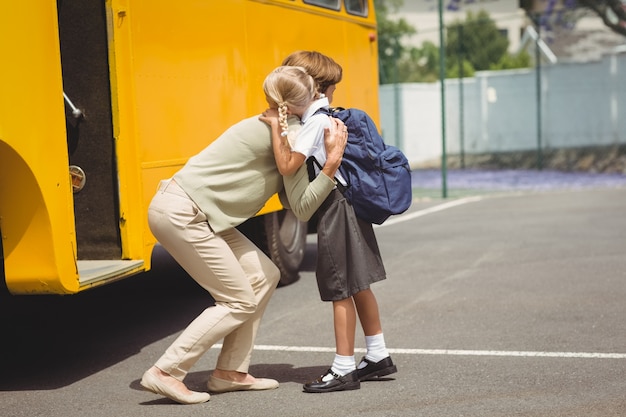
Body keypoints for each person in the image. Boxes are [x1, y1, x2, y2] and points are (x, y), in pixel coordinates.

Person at [139, 66, 347, 405]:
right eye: (323, 93)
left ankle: (230, 373)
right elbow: (303, 208)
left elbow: (291, 199)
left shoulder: (275, 124)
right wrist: (331, 164)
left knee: (265, 274)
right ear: (310, 98)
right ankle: (165, 372)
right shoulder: (291, 134)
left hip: (191, 211)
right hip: (184, 214)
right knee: (237, 300)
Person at [281, 51, 398, 393]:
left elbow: (290, 164)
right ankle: (377, 355)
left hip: (334, 207)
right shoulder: (329, 118)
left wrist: (277, 125)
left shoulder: (314, 124)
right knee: (359, 283)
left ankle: (343, 367)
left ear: (308, 87)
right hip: (351, 205)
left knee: (339, 288)